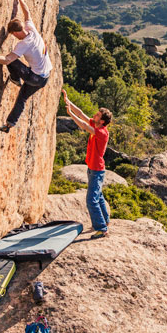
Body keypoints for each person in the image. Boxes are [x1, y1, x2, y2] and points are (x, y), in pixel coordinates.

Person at [0, 0, 53, 133]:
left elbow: (7, 60)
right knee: (22, 98)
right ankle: (9, 125)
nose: (13, 37)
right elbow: (27, 13)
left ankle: (14, 78)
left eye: (13, 35)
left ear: (15, 33)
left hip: (35, 77)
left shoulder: (23, 44)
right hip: (46, 76)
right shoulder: (31, 30)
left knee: (12, 61)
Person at [62, 89, 113, 237]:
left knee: (91, 200)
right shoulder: (97, 125)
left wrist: (70, 114)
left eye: (97, 115)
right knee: (99, 196)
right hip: (92, 168)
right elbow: (82, 114)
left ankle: (102, 228)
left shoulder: (101, 132)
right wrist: (68, 101)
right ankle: (106, 220)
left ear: (102, 121)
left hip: (97, 170)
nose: (94, 115)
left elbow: (83, 125)